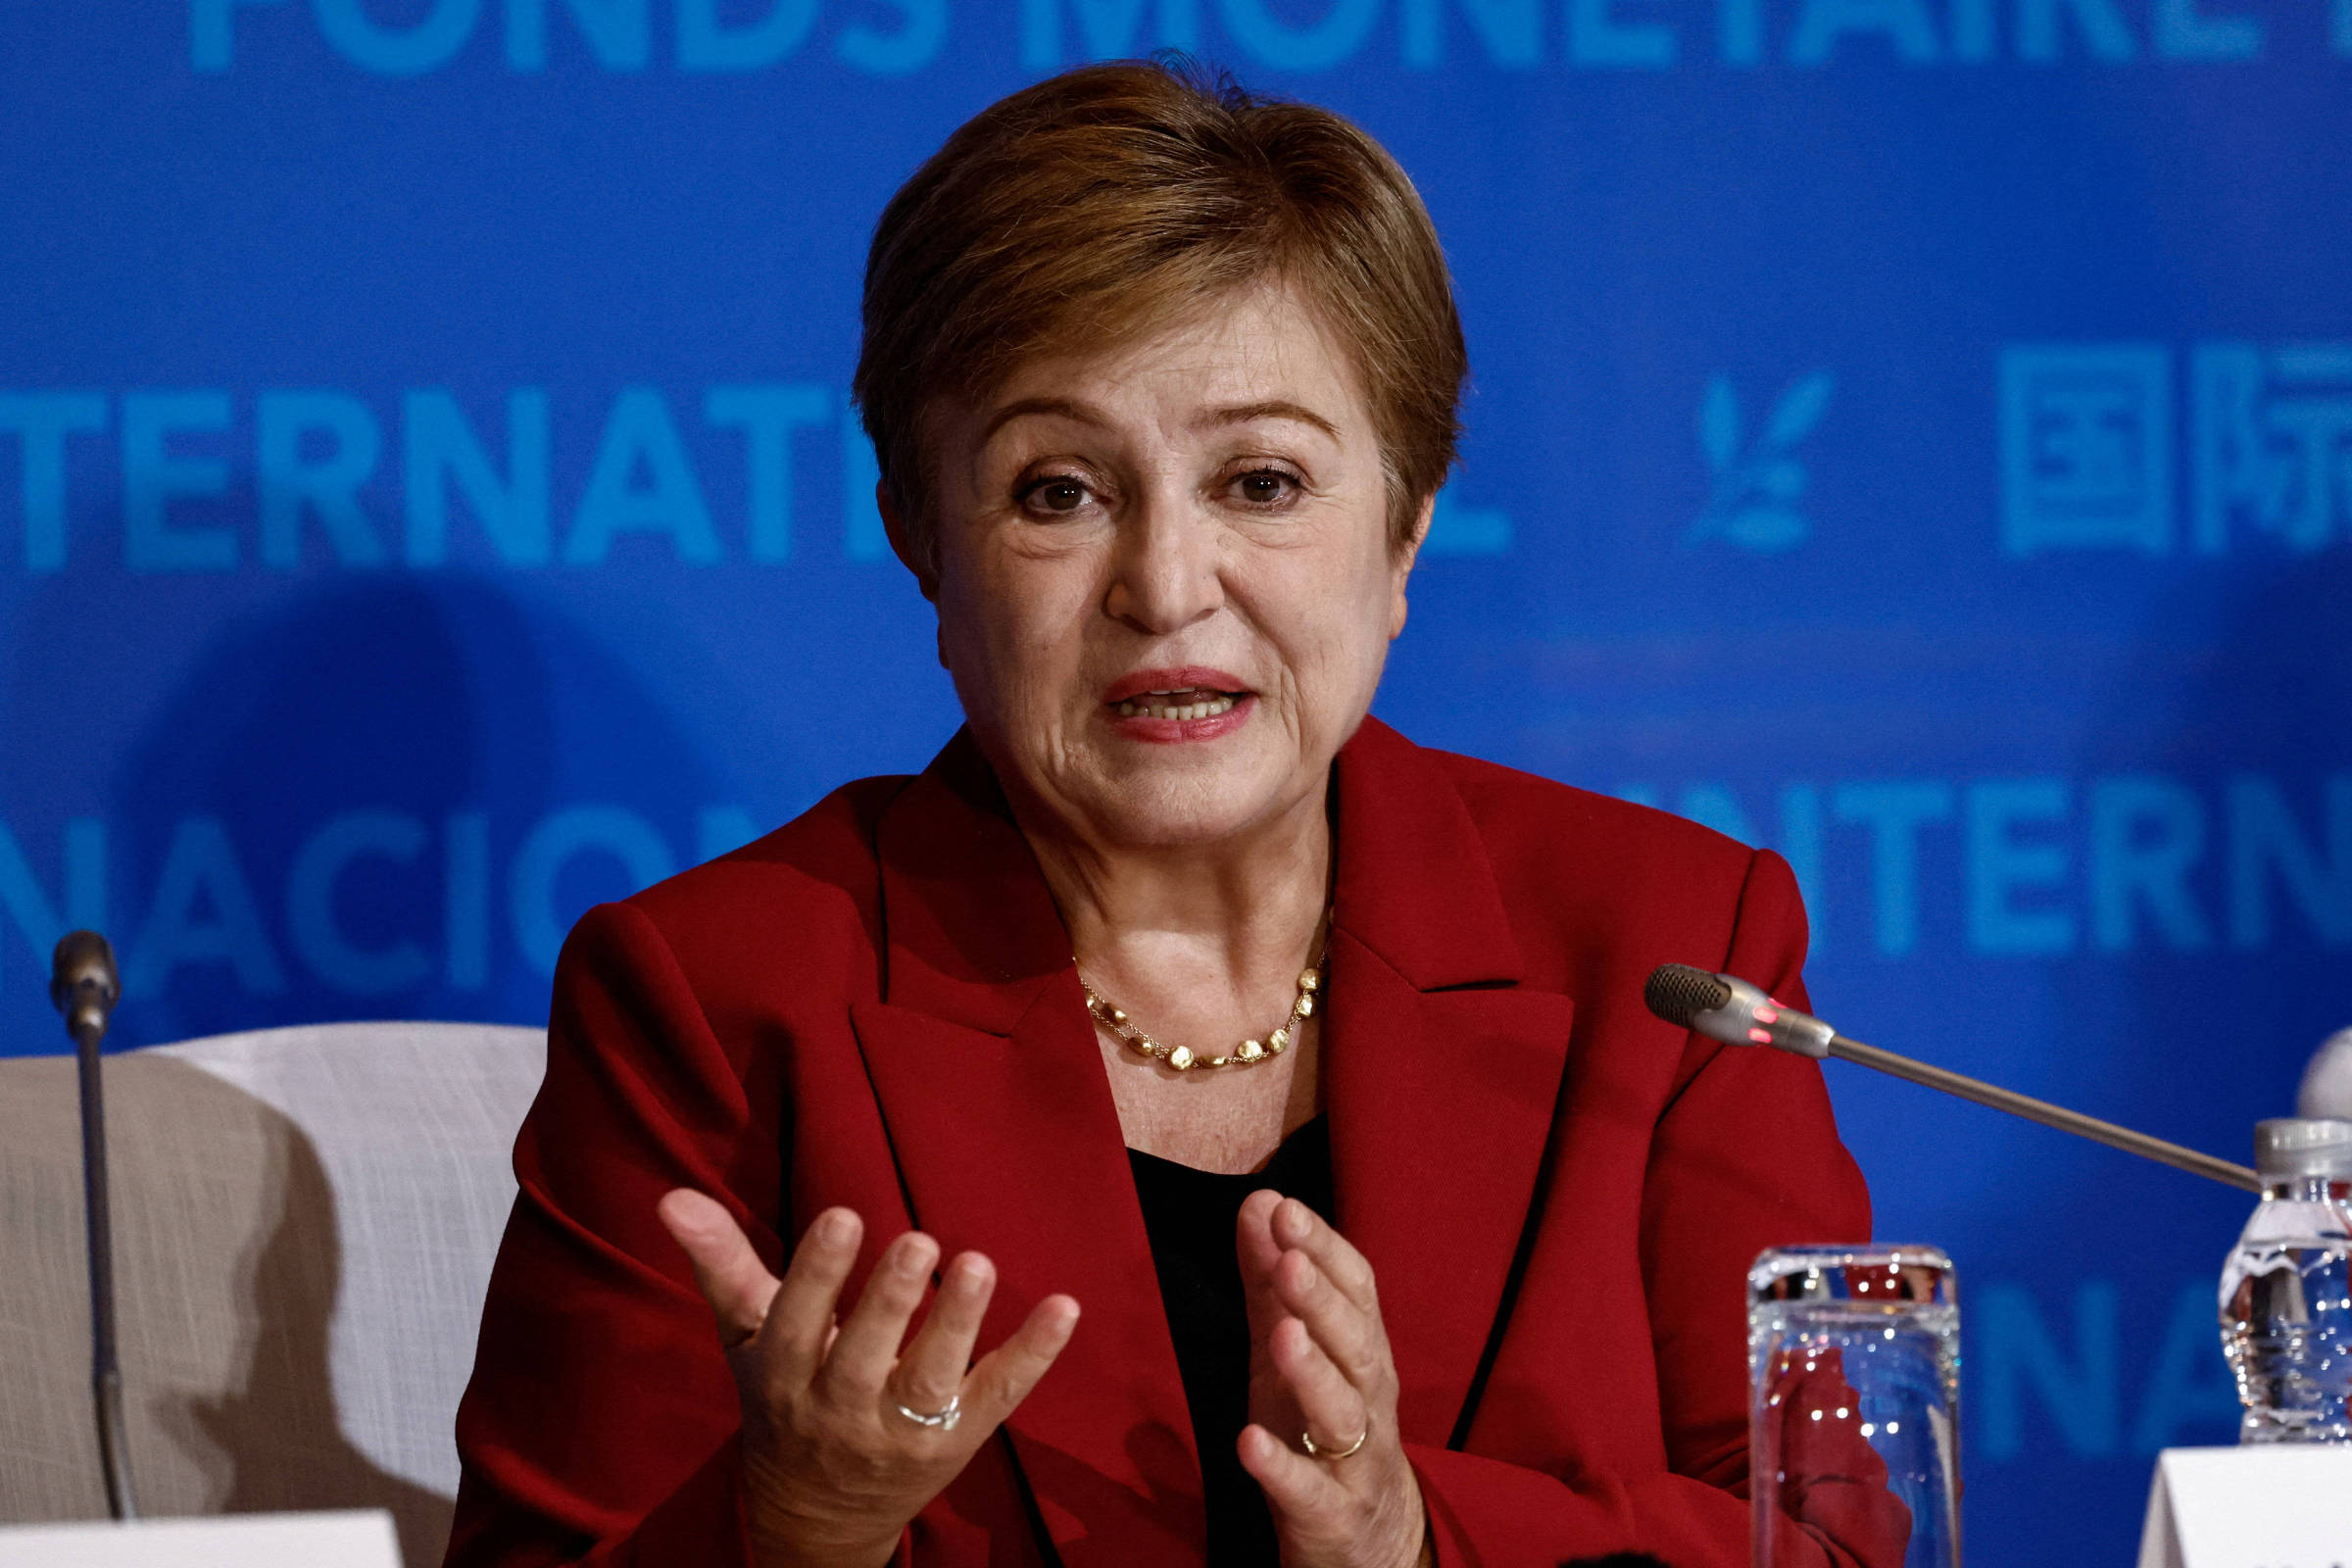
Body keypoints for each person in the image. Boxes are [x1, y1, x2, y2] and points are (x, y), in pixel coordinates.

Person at [445, 59, 1889, 1568]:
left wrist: (1418, 1544)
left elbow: (1829, 1540)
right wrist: (796, 1529)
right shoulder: (721, 1000)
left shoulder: (1668, 956)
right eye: (1058, 492)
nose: (1165, 586)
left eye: (1261, 481)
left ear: (1405, 528)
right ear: (921, 540)